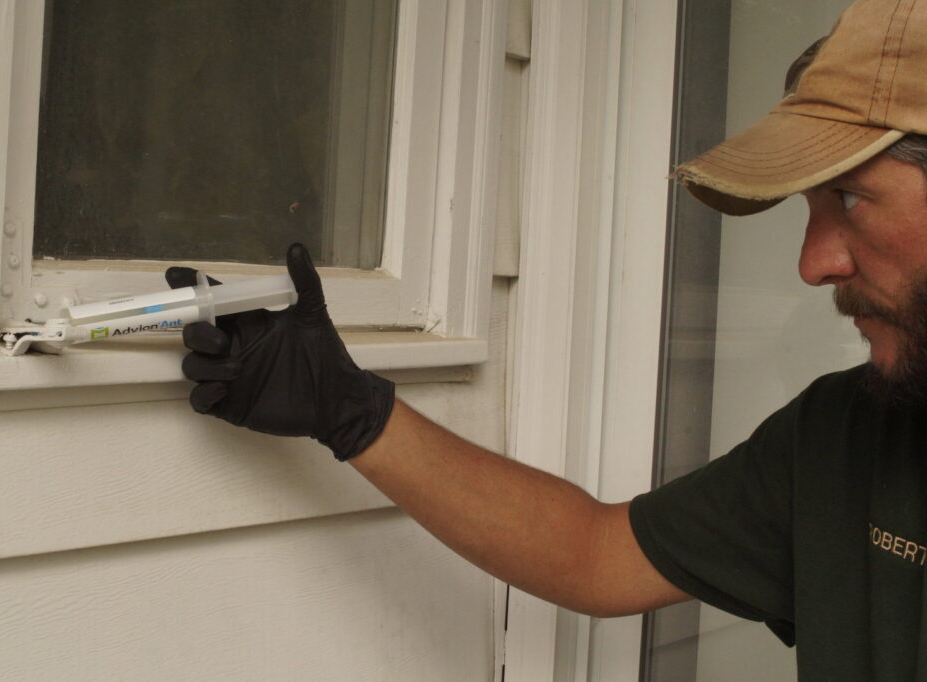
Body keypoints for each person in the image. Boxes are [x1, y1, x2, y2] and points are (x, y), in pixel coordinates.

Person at [167, 0, 927, 678]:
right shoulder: (843, 439)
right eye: (810, 207)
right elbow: (596, 554)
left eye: (850, 198)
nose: (813, 263)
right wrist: (349, 411)